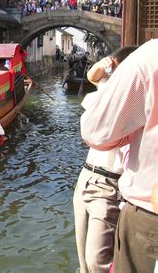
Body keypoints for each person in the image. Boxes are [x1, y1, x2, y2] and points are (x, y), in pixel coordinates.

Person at [80, 39, 158, 273]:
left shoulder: (149, 57)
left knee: (96, 261)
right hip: (94, 177)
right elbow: (93, 76)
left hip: (142, 207)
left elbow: (96, 133)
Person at [73, 46, 138, 273]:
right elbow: (93, 76)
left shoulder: (137, 99)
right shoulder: (111, 94)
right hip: (86, 177)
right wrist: (105, 64)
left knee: (97, 261)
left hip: (110, 185)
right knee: (83, 260)